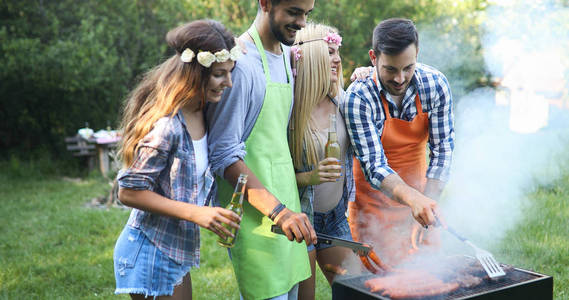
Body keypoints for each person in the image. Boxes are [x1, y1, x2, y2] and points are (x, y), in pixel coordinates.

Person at [113, 19, 242, 299]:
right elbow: (129, 192)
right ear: (195, 73)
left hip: (174, 248)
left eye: (229, 73)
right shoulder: (167, 127)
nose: (228, 83)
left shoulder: (203, 112)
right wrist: (198, 213)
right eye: (220, 74)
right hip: (149, 249)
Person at [206, 0, 317, 299]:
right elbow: (224, 155)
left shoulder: (285, 55)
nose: (303, 23)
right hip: (259, 219)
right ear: (265, 3)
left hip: (288, 209)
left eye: (307, 13)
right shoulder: (241, 64)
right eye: (294, 12)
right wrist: (279, 212)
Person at [342, 18, 455, 267]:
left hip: (423, 198)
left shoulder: (435, 85)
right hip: (372, 208)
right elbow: (374, 166)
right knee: (377, 283)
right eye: (390, 69)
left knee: (427, 277)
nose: (400, 78)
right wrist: (415, 200)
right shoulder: (358, 98)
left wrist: (427, 206)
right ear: (373, 58)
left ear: (417, 54)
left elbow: (442, 150)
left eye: (408, 67)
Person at [287, 23, 359, 299]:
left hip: (333, 218)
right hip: (300, 220)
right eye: (330, 52)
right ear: (311, 56)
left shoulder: (343, 101)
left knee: (357, 291)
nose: (338, 59)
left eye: (337, 52)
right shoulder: (289, 110)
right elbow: (270, 177)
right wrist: (310, 176)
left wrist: (367, 75)